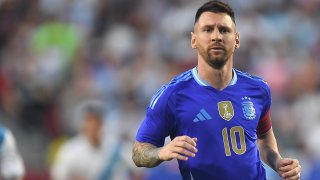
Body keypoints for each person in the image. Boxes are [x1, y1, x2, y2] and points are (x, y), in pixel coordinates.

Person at [132, 1, 301, 179]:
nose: (216, 36)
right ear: (194, 40)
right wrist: (161, 152)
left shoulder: (258, 89)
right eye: (207, 29)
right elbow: (138, 152)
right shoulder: (173, 95)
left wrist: (278, 162)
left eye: (224, 30)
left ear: (236, 40)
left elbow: (264, 137)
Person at [51, 101, 137, 180]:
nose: (92, 125)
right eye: (88, 121)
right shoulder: (70, 149)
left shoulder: (116, 146)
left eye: (96, 121)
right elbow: (58, 174)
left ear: (102, 123)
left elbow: (138, 166)